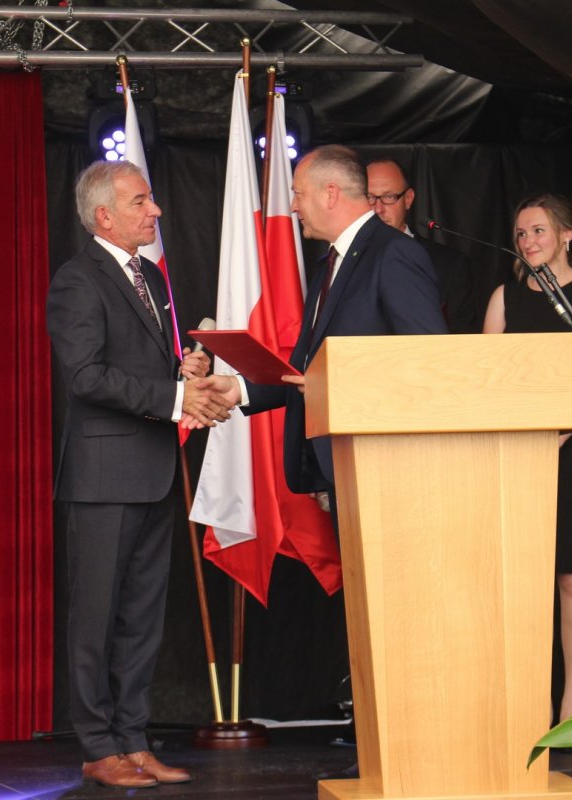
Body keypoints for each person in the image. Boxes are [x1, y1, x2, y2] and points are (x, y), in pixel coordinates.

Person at [46, 160, 230, 788]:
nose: (156, 210)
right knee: (96, 619)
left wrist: (185, 368)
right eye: (140, 201)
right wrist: (175, 397)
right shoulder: (77, 280)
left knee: (143, 618)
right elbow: (86, 376)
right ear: (104, 215)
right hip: (103, 478)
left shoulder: (151, 274)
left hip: (154, 469)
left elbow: (145, 365)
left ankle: (133, 740)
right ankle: (99, 748)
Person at [193, 145, 448, 497]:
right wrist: (240, 389)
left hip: (384, 463)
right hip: (341, 463)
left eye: (298, 194)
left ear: (331, 193)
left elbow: (429, 360)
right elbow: (308, 370)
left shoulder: (394, 253)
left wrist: (337, 384)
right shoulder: (329, 264)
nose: (293, 206)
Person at [482, 193, 572, 723]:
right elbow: (487, 376)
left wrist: (555, 435)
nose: (528, 241)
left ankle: (571, 705)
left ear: (567, 235)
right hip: (515, 451)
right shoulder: (505, 297)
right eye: (521, 233)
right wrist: (521, 438)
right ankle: (523, 701)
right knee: (518, 577)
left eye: (538, 230)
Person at [365, 158, 479, 333]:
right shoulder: (343, 261)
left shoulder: (451, 264)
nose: (378, 209)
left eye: (389, 197)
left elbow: (462, 339)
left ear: (408, 199)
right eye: (369, 198)